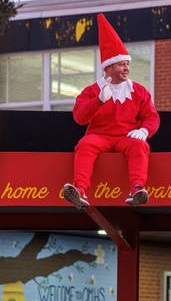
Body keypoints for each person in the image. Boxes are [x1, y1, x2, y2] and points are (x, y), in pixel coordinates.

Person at [63, 13, 160, 210]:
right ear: (108, 67)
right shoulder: (92, 91)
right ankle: (79, 190)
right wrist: (99, 101)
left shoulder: (138, 90)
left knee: (140, 145)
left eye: (127, 64)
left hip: (126, 136)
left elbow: (151, 116)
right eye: (122, 64)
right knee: (85, 144)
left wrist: (144, 131)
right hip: (100, 136)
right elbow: (79, 117)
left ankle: (137, 189)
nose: (127, 68)